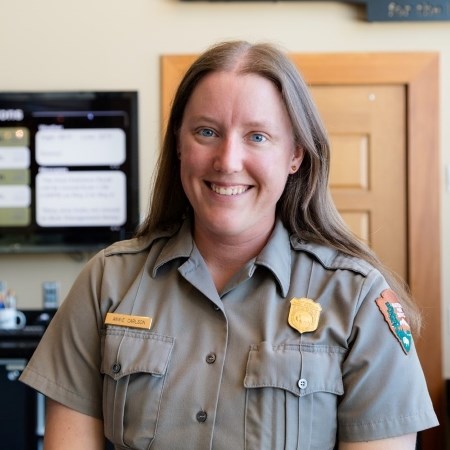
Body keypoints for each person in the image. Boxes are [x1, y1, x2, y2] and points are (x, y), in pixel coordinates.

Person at [20, 40, 438, 450]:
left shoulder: (357, 299)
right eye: (207, 132)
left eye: (257, 136)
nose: (227, 160)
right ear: (180, 145)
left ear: (295, 155)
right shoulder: (106, 281)